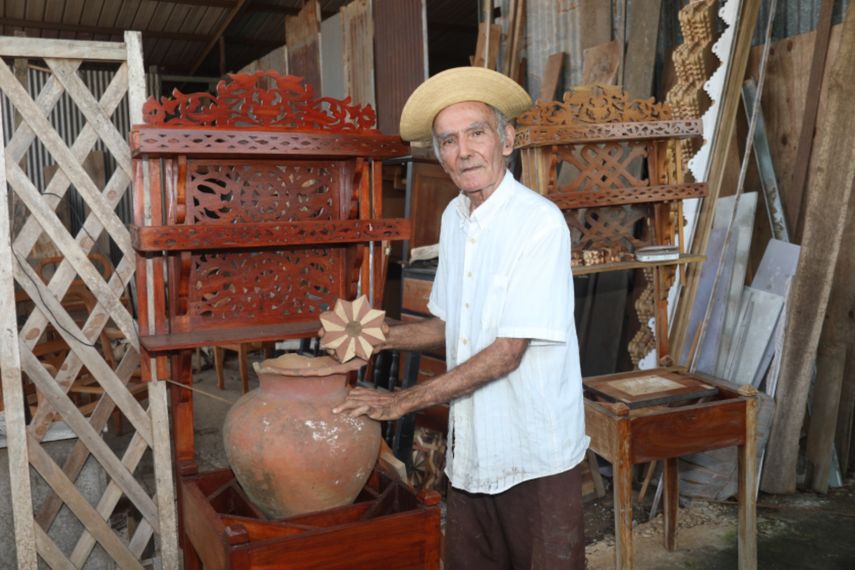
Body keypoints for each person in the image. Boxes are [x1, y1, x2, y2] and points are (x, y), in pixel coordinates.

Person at [332, 67, 589, 569]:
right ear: (440, 156)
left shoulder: (538, 223)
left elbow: (507, 352)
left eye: (477, 133)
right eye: (449, 141)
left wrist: (402, 401)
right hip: (473, 449)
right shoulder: (455, 217)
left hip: (533, 452)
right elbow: (452, 328)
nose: (464, 151)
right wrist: (378, 336)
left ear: (507, 141)